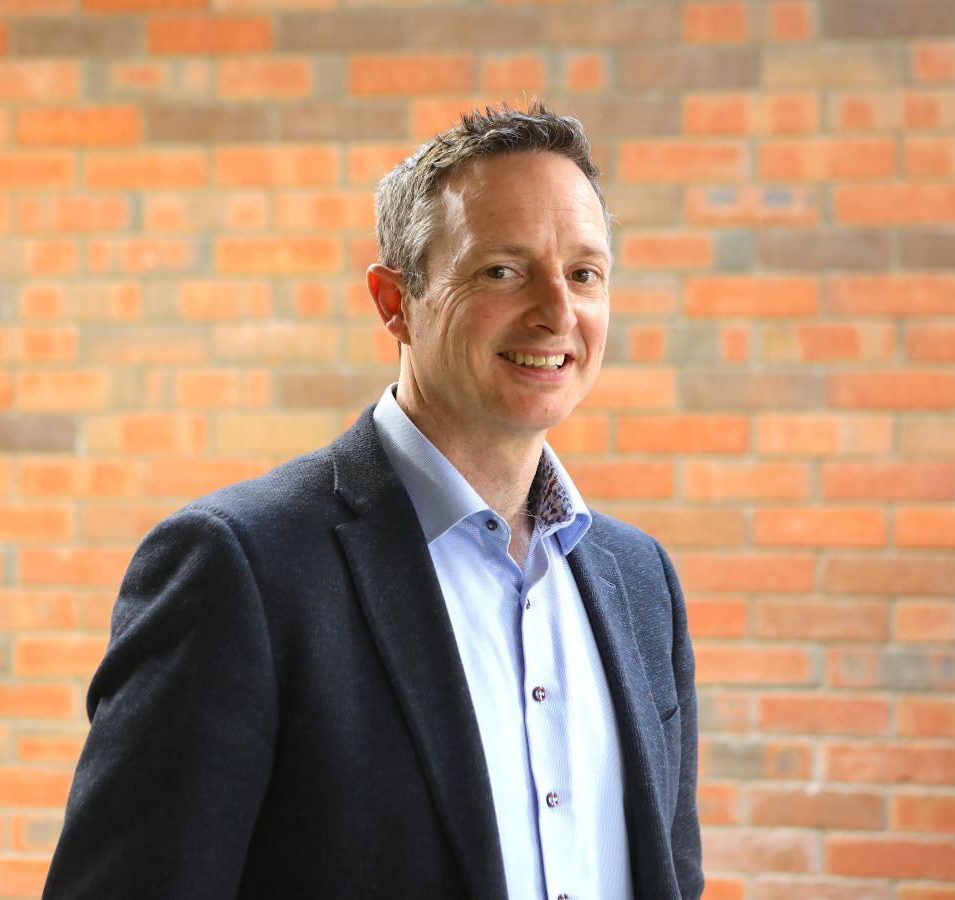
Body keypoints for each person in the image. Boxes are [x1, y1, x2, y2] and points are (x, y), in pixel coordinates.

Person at [43, 102, 703, 900]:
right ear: (394, 302)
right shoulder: (239, 568)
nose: (558, 311)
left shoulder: (641, 583)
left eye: (585, 273)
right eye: (503, 270)